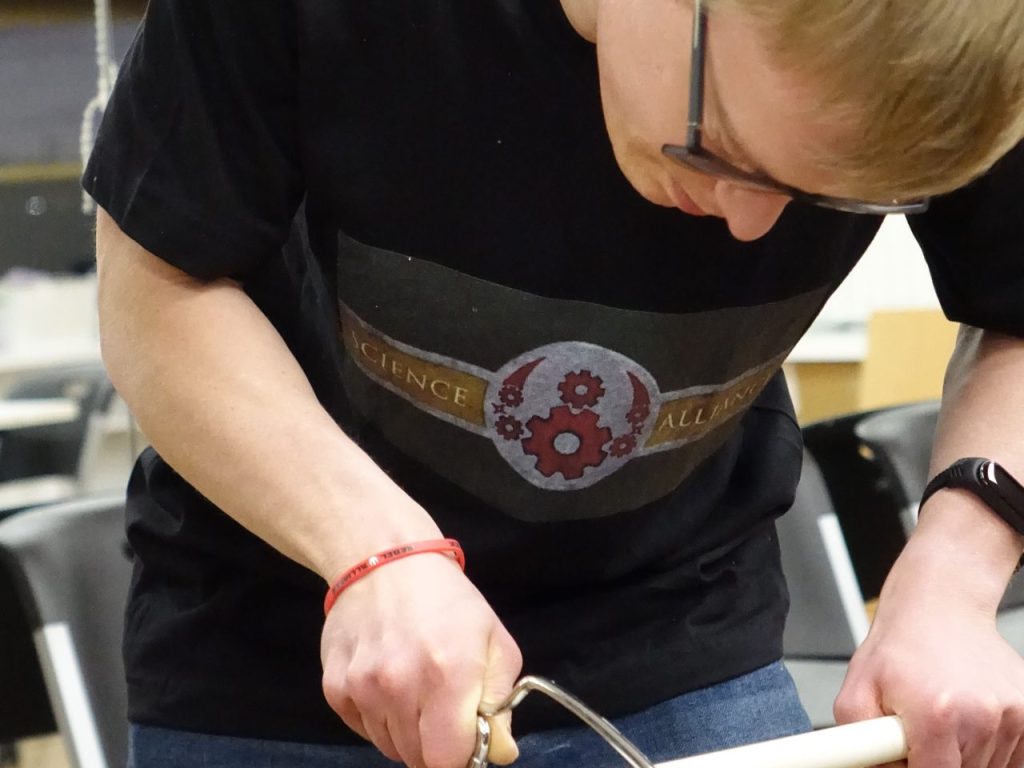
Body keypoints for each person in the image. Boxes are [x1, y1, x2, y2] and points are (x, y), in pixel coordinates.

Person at [85, 0, 1024, 766]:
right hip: (276, 651)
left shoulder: (969, 34)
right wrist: (372, 551)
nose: (747, 226)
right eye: (725, 147)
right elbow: (159, 290)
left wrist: (950, 589)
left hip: (677, 627)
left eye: (828, 197)